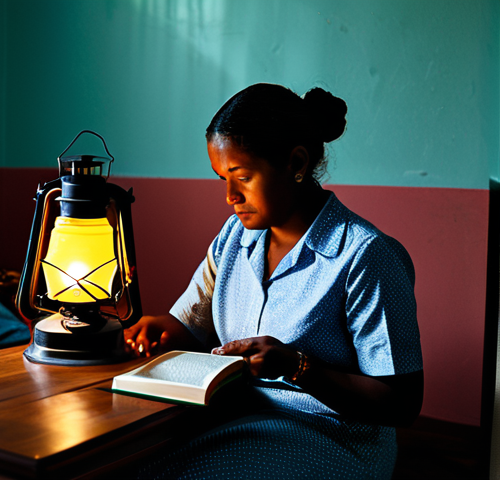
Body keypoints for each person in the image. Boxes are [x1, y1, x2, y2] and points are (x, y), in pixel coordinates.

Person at [124, 83, 423, 480]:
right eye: (221, 179)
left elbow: (402, 403)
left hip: (334, 439)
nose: (230, 195)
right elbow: (188, 325)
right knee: (127, 464)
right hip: (244, 417)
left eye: (242, 177)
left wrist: (297, 367)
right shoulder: (235, 237)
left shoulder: (366, 256)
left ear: (296, 163)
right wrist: (155, 329)